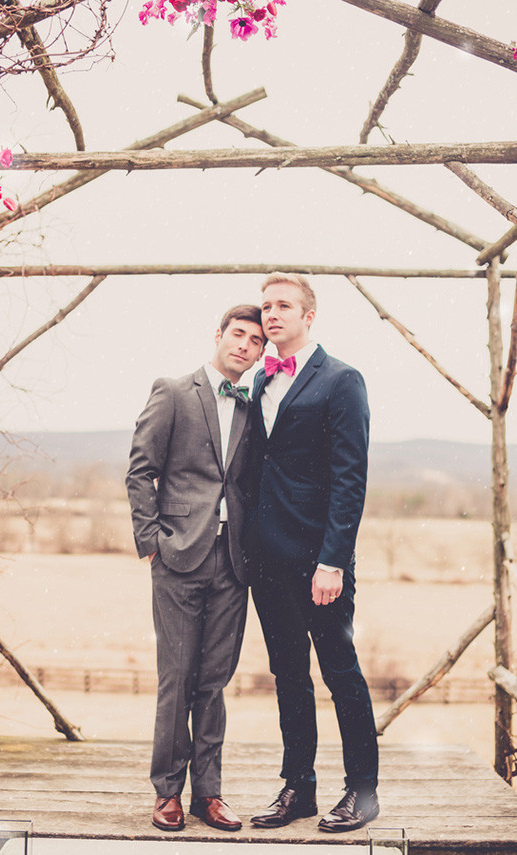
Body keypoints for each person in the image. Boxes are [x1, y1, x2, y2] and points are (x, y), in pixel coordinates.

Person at [247, 272, 379, 833]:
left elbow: (351, 479)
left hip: (319, 561)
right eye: (266, 306)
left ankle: (363, 792)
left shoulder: (342, 380)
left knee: (341, 673)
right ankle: (298, 788)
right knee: (288, 676)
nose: (271, 314)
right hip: (265, 558)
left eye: (284, 305)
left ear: (309, 316)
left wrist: (332, 561)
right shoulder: (258, 381)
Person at [126, 304, 265, 833]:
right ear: (219, 335)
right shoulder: (175, 391)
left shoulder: (254, 408)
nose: (245, 346)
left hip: (233, 562)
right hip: (178, 555)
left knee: (214, 681)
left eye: (256, 341)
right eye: (238, 335)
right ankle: (167, 793)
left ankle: (210, 793)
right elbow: (140, 470)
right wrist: (151, 542)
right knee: (177, 679)